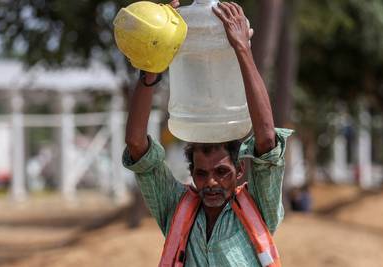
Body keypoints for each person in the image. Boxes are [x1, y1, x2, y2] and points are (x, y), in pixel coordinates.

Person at [122, 1, 292, 266]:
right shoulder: (175, 210)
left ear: (239, 171)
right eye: (202, 173)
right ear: (192, 174)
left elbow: (267, 139)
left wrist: (242, 50)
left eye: (221, 172)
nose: (211, 183)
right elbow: (136, 144)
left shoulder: (258, 210)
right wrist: (152, 65)